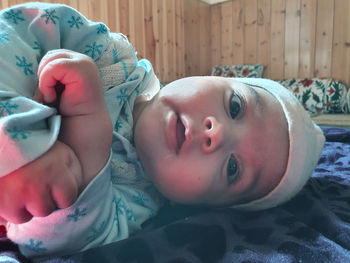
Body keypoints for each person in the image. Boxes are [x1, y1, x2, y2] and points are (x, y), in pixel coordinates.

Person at [0, 2, 325, 260]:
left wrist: (86, 135)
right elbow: (16, 32)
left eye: (233, 168)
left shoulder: (137, 205)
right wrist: (19, 143)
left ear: (202, 205)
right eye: (235, 107)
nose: (217, 133)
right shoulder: (108, 57)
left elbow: (55, 241)